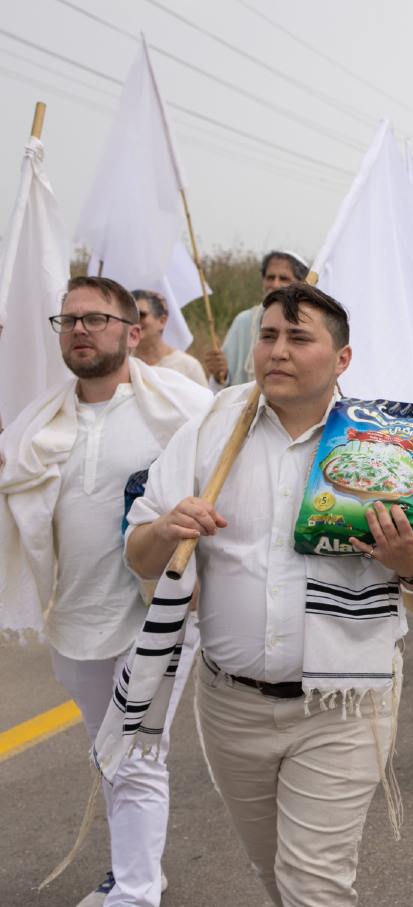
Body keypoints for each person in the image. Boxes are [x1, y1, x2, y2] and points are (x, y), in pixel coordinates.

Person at [125, 282, 413, 906]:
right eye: (269, 335)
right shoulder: (211, 428)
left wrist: (410, 559)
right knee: (273, 873)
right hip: (230, 705)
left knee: (314, 884)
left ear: (342, 359)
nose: (277, 350)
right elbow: (138, 552)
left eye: (299, 338)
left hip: (343, 703)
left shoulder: (386, 443)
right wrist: (167, 529)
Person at [0, 276, 212, 907]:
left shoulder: (180, 409)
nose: (80, 330)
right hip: (76, 614)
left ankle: (137, 891)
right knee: (109, 751)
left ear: (132, 330)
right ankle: (135, 869)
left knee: (138, 751)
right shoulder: (35, 430)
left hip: (162, 611)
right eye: (68, 321)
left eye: (95, 318)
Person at [203, 250, 306, 386]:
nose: (275, 284)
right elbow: (225, 385)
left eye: (283, 278)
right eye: (270, 277)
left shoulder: (307, 323)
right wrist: (220, 374)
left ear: (302, 283)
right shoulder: (244, 321)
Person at [131, 289, 208, 386]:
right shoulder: (122, 365)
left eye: (141, 315)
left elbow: (204, 400)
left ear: (162, 321)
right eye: (129, 316)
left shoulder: (188, 367)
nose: (134, 321)